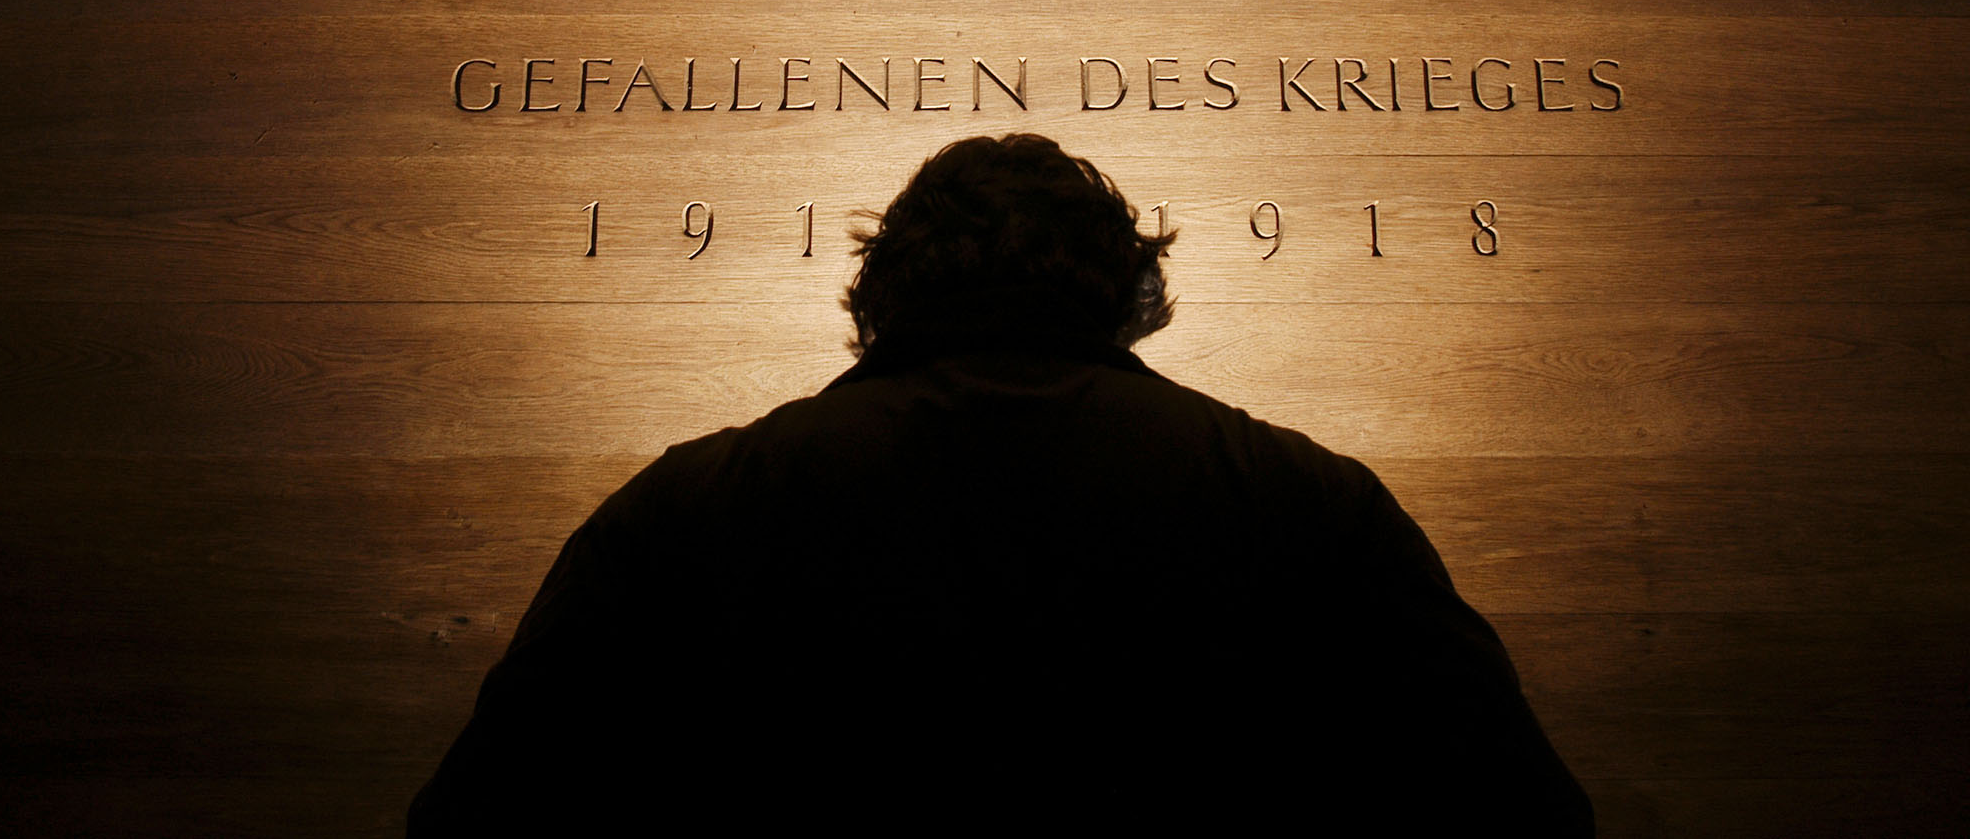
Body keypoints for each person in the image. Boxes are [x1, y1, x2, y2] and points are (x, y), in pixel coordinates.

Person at [410, 134, 1594, 833]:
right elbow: (1512, 813)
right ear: (1128, 288)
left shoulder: (695, 501)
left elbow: (486, 816)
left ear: (879, 294)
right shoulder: (1301, 497)